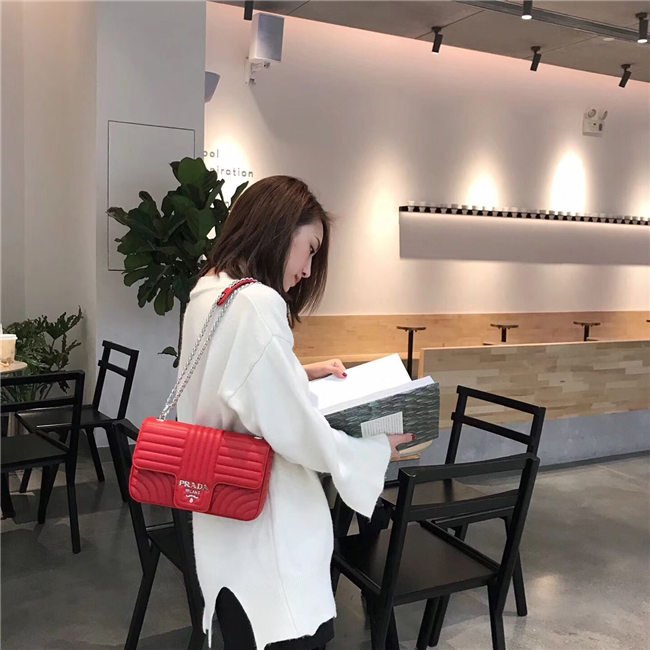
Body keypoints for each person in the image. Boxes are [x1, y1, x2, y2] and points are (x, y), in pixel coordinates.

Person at [177, 175, 412, 650]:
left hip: (221, 510)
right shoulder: (257, 302)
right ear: (280, 229)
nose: (307, 270)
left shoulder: (210, 291)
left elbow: (225, 384)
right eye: (310, 249)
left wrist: (297, 373)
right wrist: (374, 449)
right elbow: (297, 433)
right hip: (269, 528)